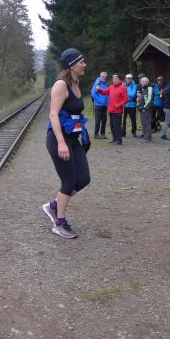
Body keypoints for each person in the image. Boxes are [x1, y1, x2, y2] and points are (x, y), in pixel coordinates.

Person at [43, 47, 90, 239]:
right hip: (58, 139)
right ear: (72, 65)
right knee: (69, 181)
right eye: (81, 62)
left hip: (73, 138)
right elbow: (53, 115)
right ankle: (59, 223)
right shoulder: (61, 85)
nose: (84, 64)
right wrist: (61, 143)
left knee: (83, 179)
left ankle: (54, 205)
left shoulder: (76, 83)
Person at [96, 74, 128, 144]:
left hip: (118, 110)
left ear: (119, 80)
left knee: (117, 126)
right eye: (113, 79)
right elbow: (104, 92)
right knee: (112, 125)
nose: (114, 80)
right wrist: (99, 90)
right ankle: (114, 138)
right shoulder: (111, 87)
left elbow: (126, 99)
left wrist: (119, 105)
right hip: (111, 109)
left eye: (116, 79)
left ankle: (119, 140)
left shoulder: (123, 87)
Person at [90, 71, 109, 139]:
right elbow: (93, 94)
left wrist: (107, 102)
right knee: (98, 120)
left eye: (105, 77)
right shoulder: (97, 83)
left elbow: (107, 94)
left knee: (104, 120)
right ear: (100, 76)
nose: (104, 78)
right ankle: (96, 134)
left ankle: (102, 133)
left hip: (105, 105)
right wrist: (100, 101)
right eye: (103, 76)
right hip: (98, 105)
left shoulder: (105, 84)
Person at [137, 76, 154, 142]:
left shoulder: (149, 89)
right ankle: (145, 135)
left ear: (146, 82)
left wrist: (144, 107)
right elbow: (144, 98)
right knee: (144, 123)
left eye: (141, 81)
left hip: (146, 109)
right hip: (142, 108)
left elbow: (149, 100)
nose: (140, 83)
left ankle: (147, 137)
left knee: (146, 123)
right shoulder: (144, 88)